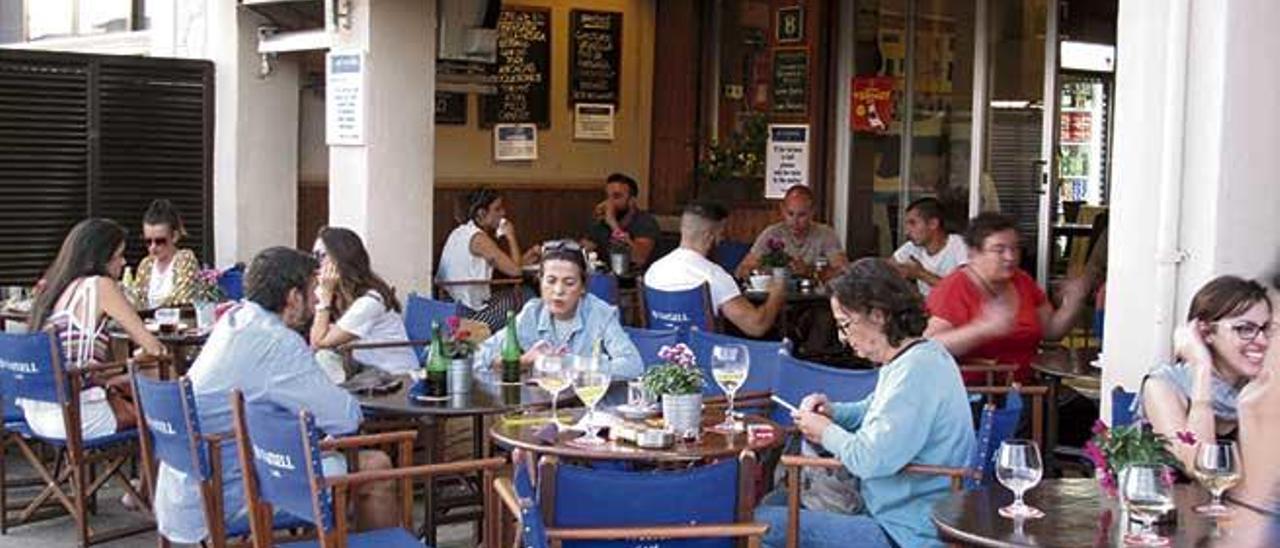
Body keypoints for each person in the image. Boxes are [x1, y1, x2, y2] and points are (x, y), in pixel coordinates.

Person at [153, 247, 396, 543]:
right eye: (312, 290)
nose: (318, 298)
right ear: (293, 298)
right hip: (228, 494)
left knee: (321, 458)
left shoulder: (233, 319)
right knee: (375, 467)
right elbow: (346, 418)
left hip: (185, 492)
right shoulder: (277, 343)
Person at [756, 259, 975, 548]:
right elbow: (875, 409)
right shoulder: (922, 354)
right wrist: (835, 412)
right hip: (906, 510)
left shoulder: (914, 371)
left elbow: (869, 459)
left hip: (905, 530)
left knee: (756, 521)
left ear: (878, 315)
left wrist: (824, 431)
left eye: (844, 324)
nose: (841, 338)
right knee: (779, 501)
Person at [21, 218, 167, 441]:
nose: (124, 262)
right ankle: (160, 474)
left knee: (128, 382)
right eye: (119, 255)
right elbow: (155, 349)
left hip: (38, 416)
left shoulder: (53, 288)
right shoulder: (100, 285)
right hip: (76, 417)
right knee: (166, 414)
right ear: (100, 257)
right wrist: (135, 360)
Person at [924, 213, 1089, 383]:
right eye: (999, 250)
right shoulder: (955, 288)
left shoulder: (1022, 281)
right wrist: (982, 329)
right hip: (975, 393)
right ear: (974, 253)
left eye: (1015, 248)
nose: (1010, 257)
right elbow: (930, 346)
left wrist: (1074, 301)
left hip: (1025, 388)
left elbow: (1051, 332)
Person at [1138, 275, 1272, 472]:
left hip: (1241, 503)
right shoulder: (1164, 386)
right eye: (1245, 328)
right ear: (1206, 332)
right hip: (1177, 501)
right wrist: (1202, 368)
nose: (1262, 341)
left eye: (1266, 329)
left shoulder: (1264, 387)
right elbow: (1200, 466)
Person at [475, 241, 643, 379]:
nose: (558, 291)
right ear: (540, 281)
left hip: (589, 407)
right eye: (550, 281)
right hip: (542, 408)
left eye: (569, 283)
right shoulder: (532, 313)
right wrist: (524, 361)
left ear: (583, 287)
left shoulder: (600, 313)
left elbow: (633, 365)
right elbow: (477, 358)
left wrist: (569, 363)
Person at [645, 202, 784, 337]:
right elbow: (756, 327)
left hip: (661, 356)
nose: (722, 240)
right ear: (708, 236)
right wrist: (777, 292)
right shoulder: (713, 276)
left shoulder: (653, 271)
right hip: (704, 357)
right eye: (721, 234)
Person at [308, 227, 417, 374]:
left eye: (320, 255)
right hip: (367, 374)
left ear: (341, 258)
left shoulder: (369, 302)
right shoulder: (343, 296)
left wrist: (325, 295)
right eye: (313, 255)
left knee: (323, 358)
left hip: (396, 377)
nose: (315, 263)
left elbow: (318, 343)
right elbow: (318, 339)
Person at [436, 187, 529, 330]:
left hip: (449, 306)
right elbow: (516, 272)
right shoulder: (479, 239)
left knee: (510, 295)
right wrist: (510, 235)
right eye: (497, 209)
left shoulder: (460, 232)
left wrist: (528, 257)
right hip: (467, 317)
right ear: (482, 213)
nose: (503, 213)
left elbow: (512, 266)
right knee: (526, 295)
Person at [735, 185, 848, 279]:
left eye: (802, 215)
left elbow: (843, 272)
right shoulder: (772, 233)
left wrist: (810, 271)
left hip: (816, 301)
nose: (795, 221)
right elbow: (741, 271)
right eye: (790, 214)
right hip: (777, 299)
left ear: (812, 212)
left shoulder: (825, 234)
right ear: (782, 210)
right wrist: (769, 271)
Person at [890, 197, 967, 296]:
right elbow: (886, 269)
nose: (907, 232)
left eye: (913, 223)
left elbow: (962, 292)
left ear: (933, 223)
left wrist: (921, 274)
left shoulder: (959, 245)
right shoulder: (913, 247)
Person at [581, 173, 661, 268]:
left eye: (616, 196)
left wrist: (613, 224)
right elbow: (584, 252)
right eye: (607, 196)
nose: (609, 202)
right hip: (607, 277)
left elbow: (639, 258)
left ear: (632, 200)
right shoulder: (601, 222)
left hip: (637, 279)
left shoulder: (646, 222)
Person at [134, 199, 200, 309]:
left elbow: (183, 298)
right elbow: (139, 302)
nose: (153, 247)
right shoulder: (145, 264)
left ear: (174, 236)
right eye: (148, 241)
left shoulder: (185, 259)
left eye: (160, 241)